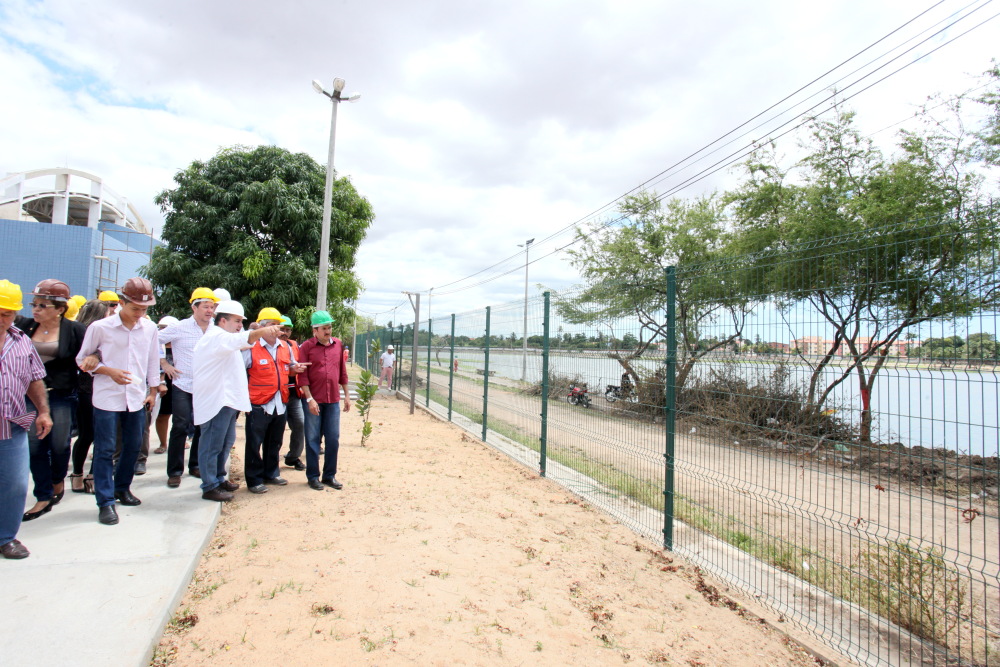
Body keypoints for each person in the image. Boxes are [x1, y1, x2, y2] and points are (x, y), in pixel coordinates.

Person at [75, 278, 160, 525]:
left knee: (133, 446)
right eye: (135, 308)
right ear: (121, 303)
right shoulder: (100, 328)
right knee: (105, 449)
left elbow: (152, 360)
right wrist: (107, 370)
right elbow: (82, 360)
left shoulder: (149, 329)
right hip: (107, 398)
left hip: (136, 396)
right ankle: (105, 502)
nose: (139, 314)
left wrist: (153, 391)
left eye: (144, 309)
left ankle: (122, 487)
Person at [192, 300, 281, 501]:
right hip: (216, 402)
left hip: (227, 401)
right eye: (237, 321)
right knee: (212, 445)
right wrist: (262, 331)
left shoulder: (224, 338)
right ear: (223, 321)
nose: (240, 325)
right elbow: (243, 339)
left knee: (224, 443)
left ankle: (218, 479)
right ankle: (209, 485)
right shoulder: (216, 337)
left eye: (241, 321)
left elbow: (243, 342)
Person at [14, 279, 86, 522]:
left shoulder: (74, 330)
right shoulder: (23, 326)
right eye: (34, 304)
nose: (36, 309)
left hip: (61, 395)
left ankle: (57, 480)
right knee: (35, 446)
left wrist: (93, 360)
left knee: (59, 444)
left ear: (60, 309)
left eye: (42, 305)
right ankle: (43, 495)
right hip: (30, 396)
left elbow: (92, 353)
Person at [0, 280, 52, 559]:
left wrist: (43, 411)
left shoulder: (21, 341)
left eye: (7, 314)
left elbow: (34, 379)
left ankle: (6, 537)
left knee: (16, 484)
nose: (2, 319)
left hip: (12, 424)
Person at [157, 287, 219, 488]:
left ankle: (196, 465)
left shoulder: (216, 329)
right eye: (206, 307)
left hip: (207, 386)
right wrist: (164, 364)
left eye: (212, 307)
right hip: (183, 384)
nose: (209, 311)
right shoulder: (180, 327)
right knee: (180, 425)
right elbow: (153, 340)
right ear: (194, 307)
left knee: (202, 426)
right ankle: (175, 471)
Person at [243, 307, 304, 494]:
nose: (276, 328)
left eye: (278, 325)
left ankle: (271, 473)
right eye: (272, 324)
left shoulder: (285, 347)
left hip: (280, 401)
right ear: (261, 326)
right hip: (258, 403)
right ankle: (254, 479)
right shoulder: (251, 347)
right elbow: (240, 372)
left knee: (275, 441)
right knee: (254, 443)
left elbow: (289, 368)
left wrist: (295, 369)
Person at [297, 310, 351, 491]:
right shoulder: (306, 347)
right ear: (315, 330)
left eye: (329, 327)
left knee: (333, 438)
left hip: (333, 400)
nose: (328, 331)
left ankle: (329, 476)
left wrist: (346, 396)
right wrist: (309, 399)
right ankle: (313, 477)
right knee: (313, 439)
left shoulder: (338, 345)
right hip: (314, 400)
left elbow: (342, 371)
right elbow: (302, 376)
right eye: (324, 328)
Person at [67, 299, 109, 493]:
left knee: (87, 435)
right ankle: (87, 475)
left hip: (88, 389)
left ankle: (80, 475)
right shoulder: (88, 333)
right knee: (94, 435)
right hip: (90, 388)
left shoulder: (77, 331)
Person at [278, 316, 306, 471]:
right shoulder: (271, 346)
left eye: (288, 330)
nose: (285, 333)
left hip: (293, 393)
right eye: (282, 329)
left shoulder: (293, 345)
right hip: (276, 393)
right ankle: (271, 460)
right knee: (277, 428)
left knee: (300, 424)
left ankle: (293, 457)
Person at [153, 315, 180, 455]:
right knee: (163, 414)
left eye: (166, 328)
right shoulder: (156, 346)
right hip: (162, 383)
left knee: (181, 416)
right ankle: (163, 443)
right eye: (162, 328)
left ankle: (180, 440)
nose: (164, 331)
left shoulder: (181, 344)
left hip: (179, 382)